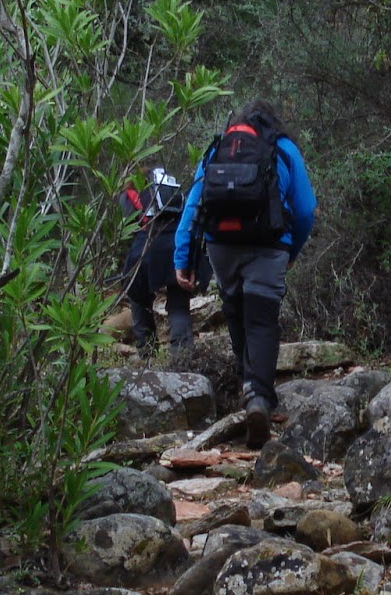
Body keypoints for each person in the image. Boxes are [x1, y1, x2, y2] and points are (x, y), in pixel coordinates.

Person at [174, 100, 316, 448]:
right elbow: (306, 210)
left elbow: (194, 204)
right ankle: (258, 398)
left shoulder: (218, 148)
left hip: (221, 245)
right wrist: (291, 250)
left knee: (235, 310)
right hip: (269, 244)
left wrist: (184, 257)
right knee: (262, 320)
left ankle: (245, 383)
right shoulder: (282, 148)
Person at [120, 167, 207, 358]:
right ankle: (183, 356)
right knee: (178, 303)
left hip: (148, 244)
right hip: (177, 244)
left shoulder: (130, 192)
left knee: (139, 300)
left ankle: (147, 353)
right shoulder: (170, 187)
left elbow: (129, 225)